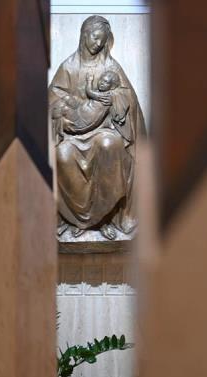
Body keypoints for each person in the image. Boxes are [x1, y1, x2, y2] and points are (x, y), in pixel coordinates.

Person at [49, 15, 146, 240]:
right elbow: (53, 98)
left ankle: (103, 218)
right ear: (84, 36)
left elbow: (127, 96)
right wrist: (68, 108)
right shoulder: (69, 67)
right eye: (94, 38)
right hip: (73, 132)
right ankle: (76, 218)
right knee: (62, 154)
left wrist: (113, 97)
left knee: (109, 144)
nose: (98, 43)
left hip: (103, 129)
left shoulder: (110, 66)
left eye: (102, 40)